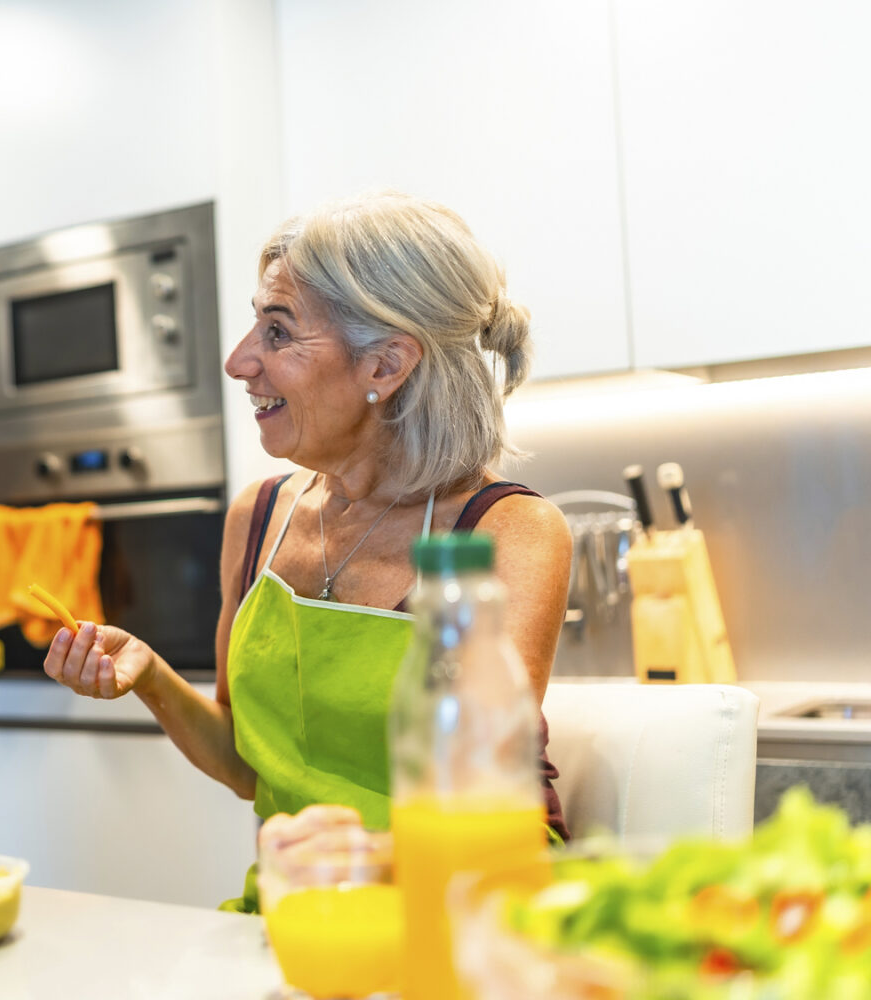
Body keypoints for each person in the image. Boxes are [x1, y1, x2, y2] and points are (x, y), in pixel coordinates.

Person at [42, 190, 572, 910]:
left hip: (465, 918)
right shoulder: (259, 519)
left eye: (279, 332)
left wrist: (364, 859)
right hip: (300, 916)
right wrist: (150, 676)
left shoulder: (504, 534)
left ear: (384, 366)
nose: (239, 362)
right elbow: (248, 767)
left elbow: (486, 817)